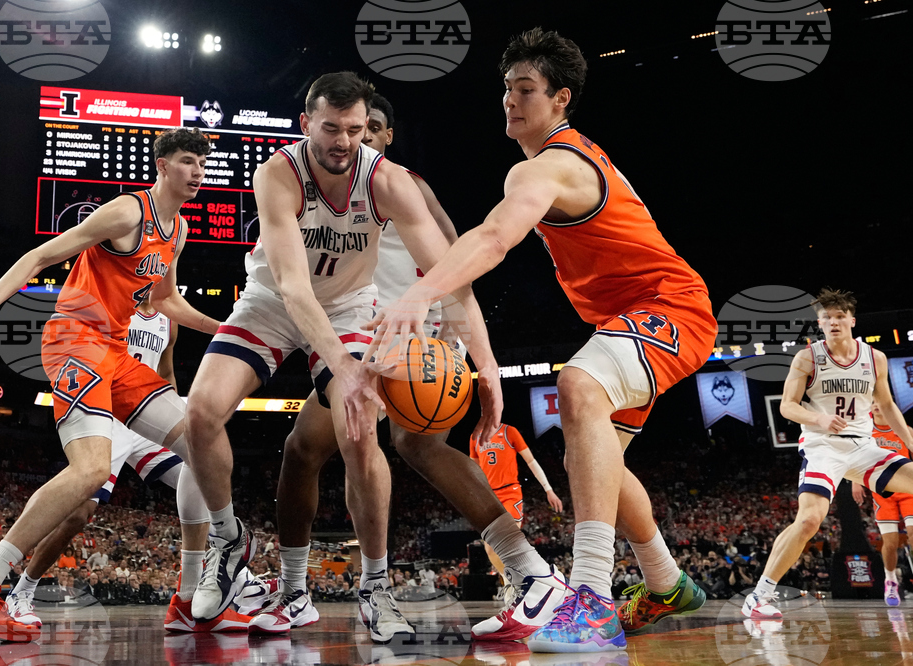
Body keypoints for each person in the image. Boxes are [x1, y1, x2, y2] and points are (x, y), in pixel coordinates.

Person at [367, 28, 717, 653]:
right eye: (506, 89)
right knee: (597, 464)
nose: (510, 101)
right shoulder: (559, 160)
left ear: (561, 99)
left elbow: (492, 238)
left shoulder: (552, 164)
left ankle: (590, 594)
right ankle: (666, 581)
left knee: (576, 386)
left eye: (525, 90)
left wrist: (419, 294)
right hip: (628, 317)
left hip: (670, 308)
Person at [184, 73, 505, 641]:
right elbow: (292, 284)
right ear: (307, 123)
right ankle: (229, 539)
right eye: (330, 128)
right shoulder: (277, 174)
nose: (342, 140)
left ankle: (375, 587)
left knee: (359, 431)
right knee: (201, 411)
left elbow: (454, 280)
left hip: (351, 307)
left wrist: (487, 367)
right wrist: (346, 368)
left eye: (354, 130)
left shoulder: (390, 182)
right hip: (274, 300)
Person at [244, 91, 567, 643]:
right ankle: (529, 572)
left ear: (386, 135)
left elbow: (457, 261)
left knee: (387, 444)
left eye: (370, 127)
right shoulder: (315, 181)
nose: (358, 137)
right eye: (349, 127)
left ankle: (360, 588)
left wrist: (470, 347)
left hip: (413, 340)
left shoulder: (403, 183)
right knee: (315, 449)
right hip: (367, 336)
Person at [0, 128, 221, 642]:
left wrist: (227, 330)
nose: (197, 170)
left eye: (203, 162)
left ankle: (188, 596)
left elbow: (166, 301)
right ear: (161, 164)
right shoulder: (127, 212)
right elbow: (40, 256)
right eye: (186, 160)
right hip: (75, 338)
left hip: (116, 349)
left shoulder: (176, 231)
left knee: (205, 447)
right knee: (89, 472)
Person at [3, 300, 243, 632]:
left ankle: (210, 587)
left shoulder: (168, 320)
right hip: (108, 415)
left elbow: (165, 372)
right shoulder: (112, 306)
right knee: (77, 515)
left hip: (146, 418)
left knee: (207, 470)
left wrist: (172, 412)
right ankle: (21, 591)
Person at [742, 289, 913, 619]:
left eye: (839, 316)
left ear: (851, 320)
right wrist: (819, 418)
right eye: (826, 317)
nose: (833, 322)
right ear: (819, 323)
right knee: (808, 521)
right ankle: (760, 596)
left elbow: (888, 405)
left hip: (864, 448)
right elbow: (788, 407)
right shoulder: (808, 357)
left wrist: (909, 439)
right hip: (824, 447)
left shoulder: (875, 358)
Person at [469, 423, 563, 584]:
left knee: (510, 541)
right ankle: (510, 583)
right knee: (490, 547)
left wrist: (548, 489)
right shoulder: (474, 437)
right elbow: (474, 471)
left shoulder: (509, 431)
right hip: (489, 494)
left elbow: (531, 461)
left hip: (509, 492)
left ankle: (546, 578)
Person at [852, 401, 913, 606]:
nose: (877, 405)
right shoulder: (866, 433)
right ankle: (891, 580)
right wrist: (855, 481)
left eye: (881, 402)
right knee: (891, 543)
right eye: (873, 402)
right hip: (883, 493)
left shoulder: (905, 430)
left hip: (908, 491)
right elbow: (856, 457)